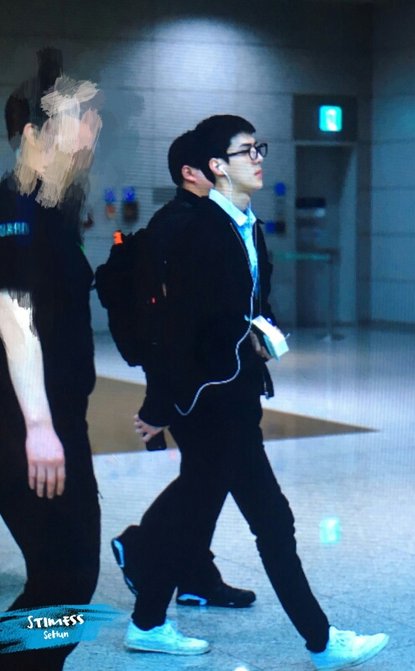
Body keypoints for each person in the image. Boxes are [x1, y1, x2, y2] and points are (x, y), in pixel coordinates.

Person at [119, 114, 389, 670]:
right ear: (216, 166)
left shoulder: (248, 225)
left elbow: (248, 305)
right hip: (208, 402)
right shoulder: (197, 229)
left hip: (235, 394)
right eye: (247, 151)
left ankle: (146, 619)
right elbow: (173, 330)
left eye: (258, 147)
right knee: (269, 520)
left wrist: (261, 333)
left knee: (207, 513)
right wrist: (159, 406)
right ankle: (321, 643)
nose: (259, 157)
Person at [111, 129, 256, 610]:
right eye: (212, 163)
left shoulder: (208, 220)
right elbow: (168, 325)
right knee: (207, 478)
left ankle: (195, 576)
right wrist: (160, 402)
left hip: (207, 376)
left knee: (206, 477)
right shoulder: (181, 224)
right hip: (192, 381)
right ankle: (141, 545)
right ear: (190, 173)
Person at [0, 51, 102, 671]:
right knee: (67, 577)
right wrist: (39, 426)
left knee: (65, 576)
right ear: (35, 133)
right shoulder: (16, 208)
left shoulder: (50, 209)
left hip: (56, 417)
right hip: (28, 423)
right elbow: (14, 316)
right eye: (78, 118)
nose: (91, 130)